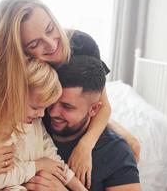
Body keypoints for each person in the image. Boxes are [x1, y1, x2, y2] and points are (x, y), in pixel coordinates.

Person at [0, 0, 140, 189]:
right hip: (37, 124)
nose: (51, 44)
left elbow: (100, 105)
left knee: (131, 144)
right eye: (34, 44)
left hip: (78, 115)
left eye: (50, 29)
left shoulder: (83, 45)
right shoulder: (20, 70)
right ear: (21, 53)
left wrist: (85, 145)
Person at [25, 55, 141, 191]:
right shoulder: (31, 121)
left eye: (67, 106)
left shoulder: (115, 152)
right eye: (51, 101)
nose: (52, 113)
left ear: (94, 109)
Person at [0, 59, 87, 191]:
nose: (42, 114)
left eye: (45, 108)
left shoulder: (35, 122)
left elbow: (52, 159)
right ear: (15, 96)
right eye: (35, 107)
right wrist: (38, 166)